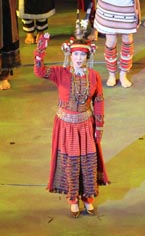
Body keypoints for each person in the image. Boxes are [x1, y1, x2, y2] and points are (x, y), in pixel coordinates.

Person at [33, 33, 109, 217]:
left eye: (82, 55)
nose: (78, 58)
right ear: (70, 55)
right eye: (75, 54)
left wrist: (99, 126)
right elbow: (40, 71)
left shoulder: (94, 76)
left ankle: (88, 198)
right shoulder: (61, 73)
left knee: (88, 162)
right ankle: (73, 200)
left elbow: (98, 100)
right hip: (66, 126)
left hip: (85, 125)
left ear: (88, 57)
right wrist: (41, 49)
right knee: (71, 162)